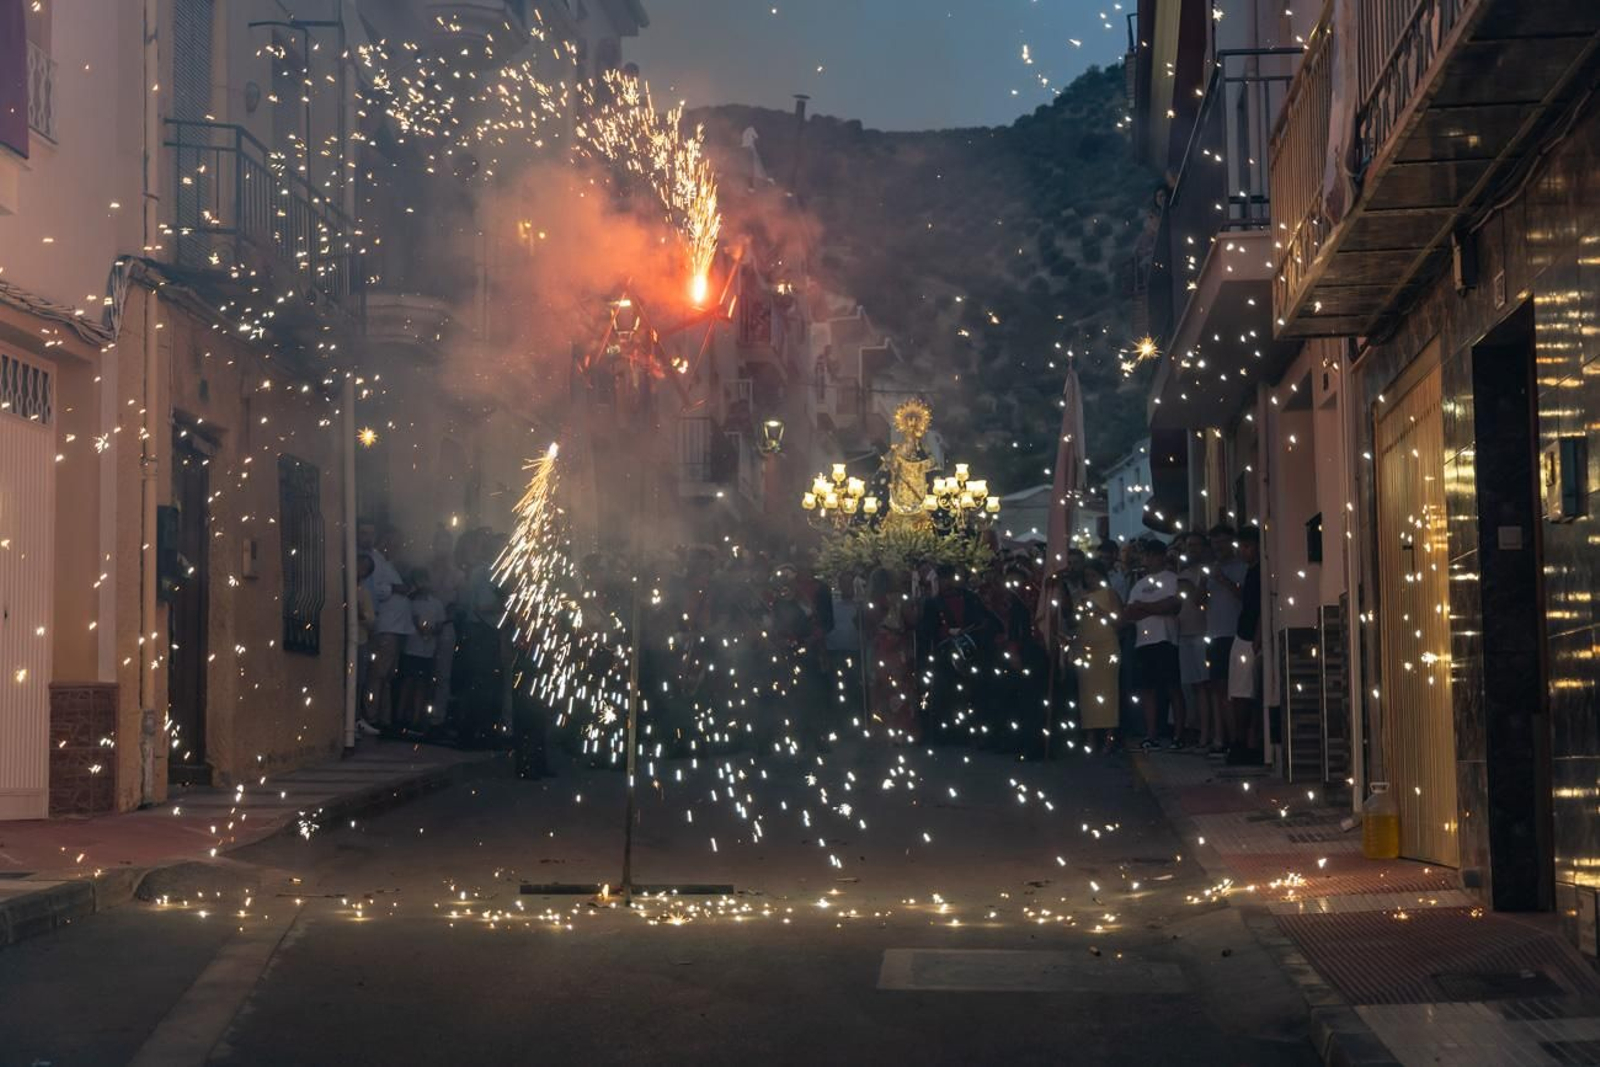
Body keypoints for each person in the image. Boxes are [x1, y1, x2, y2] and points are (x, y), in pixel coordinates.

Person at [1123, 537, 1186, 751]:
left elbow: (1171, 605)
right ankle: (1151, 735)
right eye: (1145, 556)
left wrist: (1145, 607)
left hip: (1166, 639)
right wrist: (1153, 607)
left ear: (1160, 557)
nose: (1147, 559)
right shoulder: (1139, 584)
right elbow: (1129, 612)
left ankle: (1178, 734)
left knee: (1172, 687)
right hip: (1144, 642)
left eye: (1150, 555)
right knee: (1147, 689)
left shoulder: (1171, 579)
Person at [360, 521, 413, 733]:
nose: (398, 547)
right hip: (386, 627)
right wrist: (395, 588)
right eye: (395, 542)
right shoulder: (374, 560)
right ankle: (372, 717)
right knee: (378, 674)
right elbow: (376, 589)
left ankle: (384, 718)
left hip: (396, 628)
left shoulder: (386, 563)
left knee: (387, 676)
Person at [1203, 523, 1247, 755]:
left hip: (1234, 634)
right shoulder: (1212, 569)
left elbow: (1244, 595)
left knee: (1235, 689)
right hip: (1215, 635)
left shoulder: (1242, 567)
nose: (1218, 547)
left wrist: (1223, 581)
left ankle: (1237, 739)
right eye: (1215, 543)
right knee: (1218, 688)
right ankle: (1224, 737)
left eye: (1222, 542)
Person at [1072, 559, 1123, 752]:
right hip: (1085, 649)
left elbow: (1119, 621)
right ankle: (1090, 736)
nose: (1090, 579)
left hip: (1106, 648)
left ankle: (1109, 736)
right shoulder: (1081, 596)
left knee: (1109, 691)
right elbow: (1075, 622)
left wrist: (1099, 611)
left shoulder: (1110, 594)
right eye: (1087, 576)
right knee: (1087, 693)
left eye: (1094, 575)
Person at [1227, 526, 1264, 764]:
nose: (1243, 551)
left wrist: (1258, 635)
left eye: (1247, 546)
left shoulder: (1260, 572)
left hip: (1250, 637)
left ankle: (1248, 742)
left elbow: (1261, 606)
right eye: (1241, 546)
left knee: (1246, 692)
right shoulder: (1249, 573)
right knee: (1238, 693)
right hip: (1242, 634)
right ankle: (1240, 740)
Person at [398, 567, 447, 731]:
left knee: (422, 684)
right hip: (411, 649)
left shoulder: (436, 604)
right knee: (407, 682)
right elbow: (411, 621)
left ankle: (417, 719)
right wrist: (421, 628)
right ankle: (400, 717)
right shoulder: (409, 603)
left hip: (427, 651)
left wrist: (431, 631)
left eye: (424, 580)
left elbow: (441, 624)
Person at [1175, 531, 1210, 748]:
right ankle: (1197, 729)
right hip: (1184, 632)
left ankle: (1207, 733)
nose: (1192, 549)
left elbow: (1197, 599)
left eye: (1196, 545)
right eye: (1189, 545)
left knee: (1205, 687)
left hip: (1202, 633)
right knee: (1193, 688)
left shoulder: (1204, 573)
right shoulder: (1184, 572)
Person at [354, 554, 376, 730]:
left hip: (359, 639)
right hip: (343, 639)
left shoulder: (363, 593)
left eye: (365, 568)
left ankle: (356, 718)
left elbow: (371, 620)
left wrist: (361, 615)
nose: (360, 569)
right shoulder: (342, 586)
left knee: (359, 680)